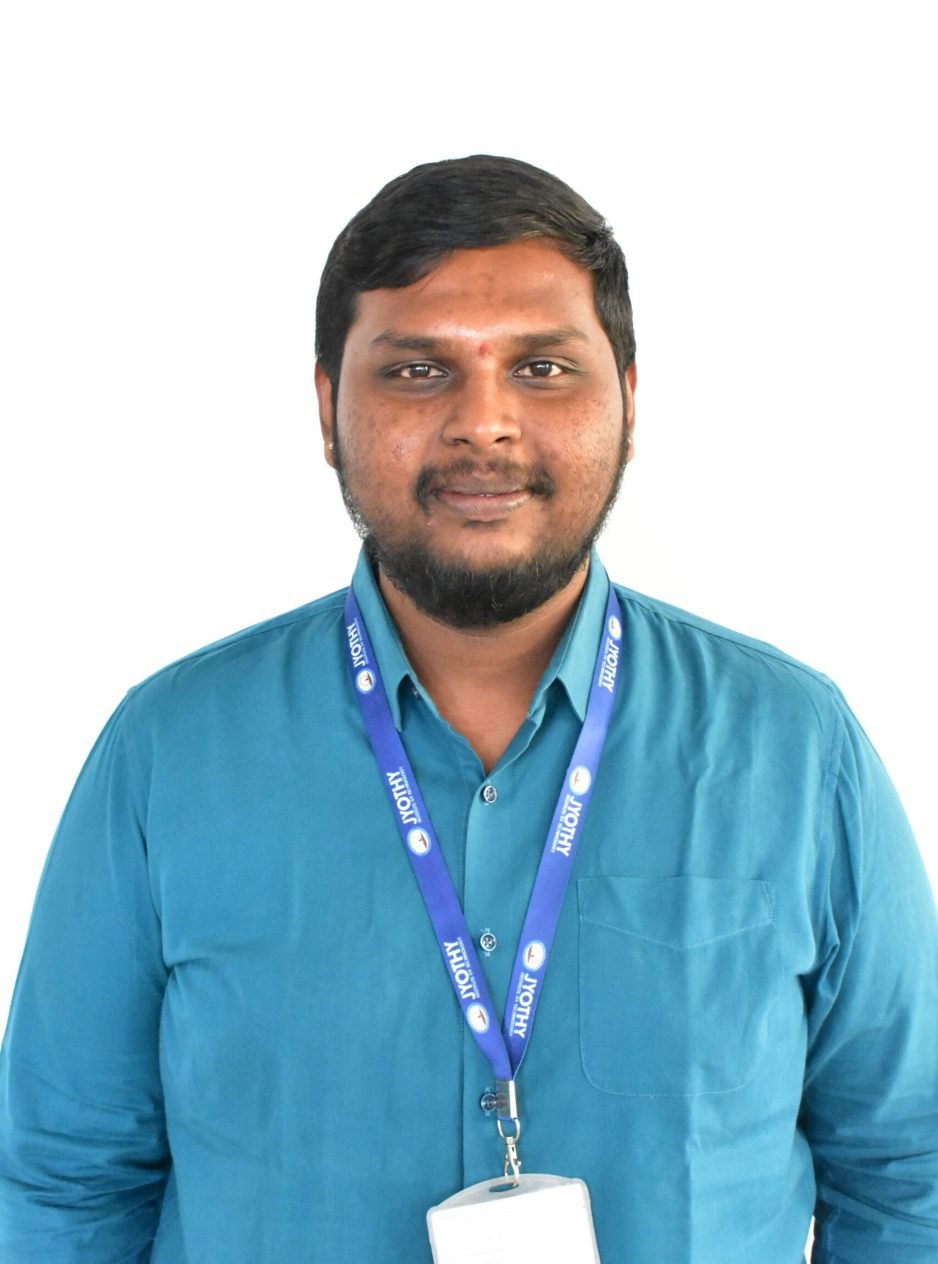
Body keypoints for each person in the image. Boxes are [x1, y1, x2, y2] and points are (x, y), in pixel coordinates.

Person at [0, 155, 935, 1264]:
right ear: (327, 408)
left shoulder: (797, 750)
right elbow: (61, 1186)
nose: (482, 424)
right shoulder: (167, 753)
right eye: (415, 370)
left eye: (541, 368)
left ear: (629, 401)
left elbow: (908, 1176)